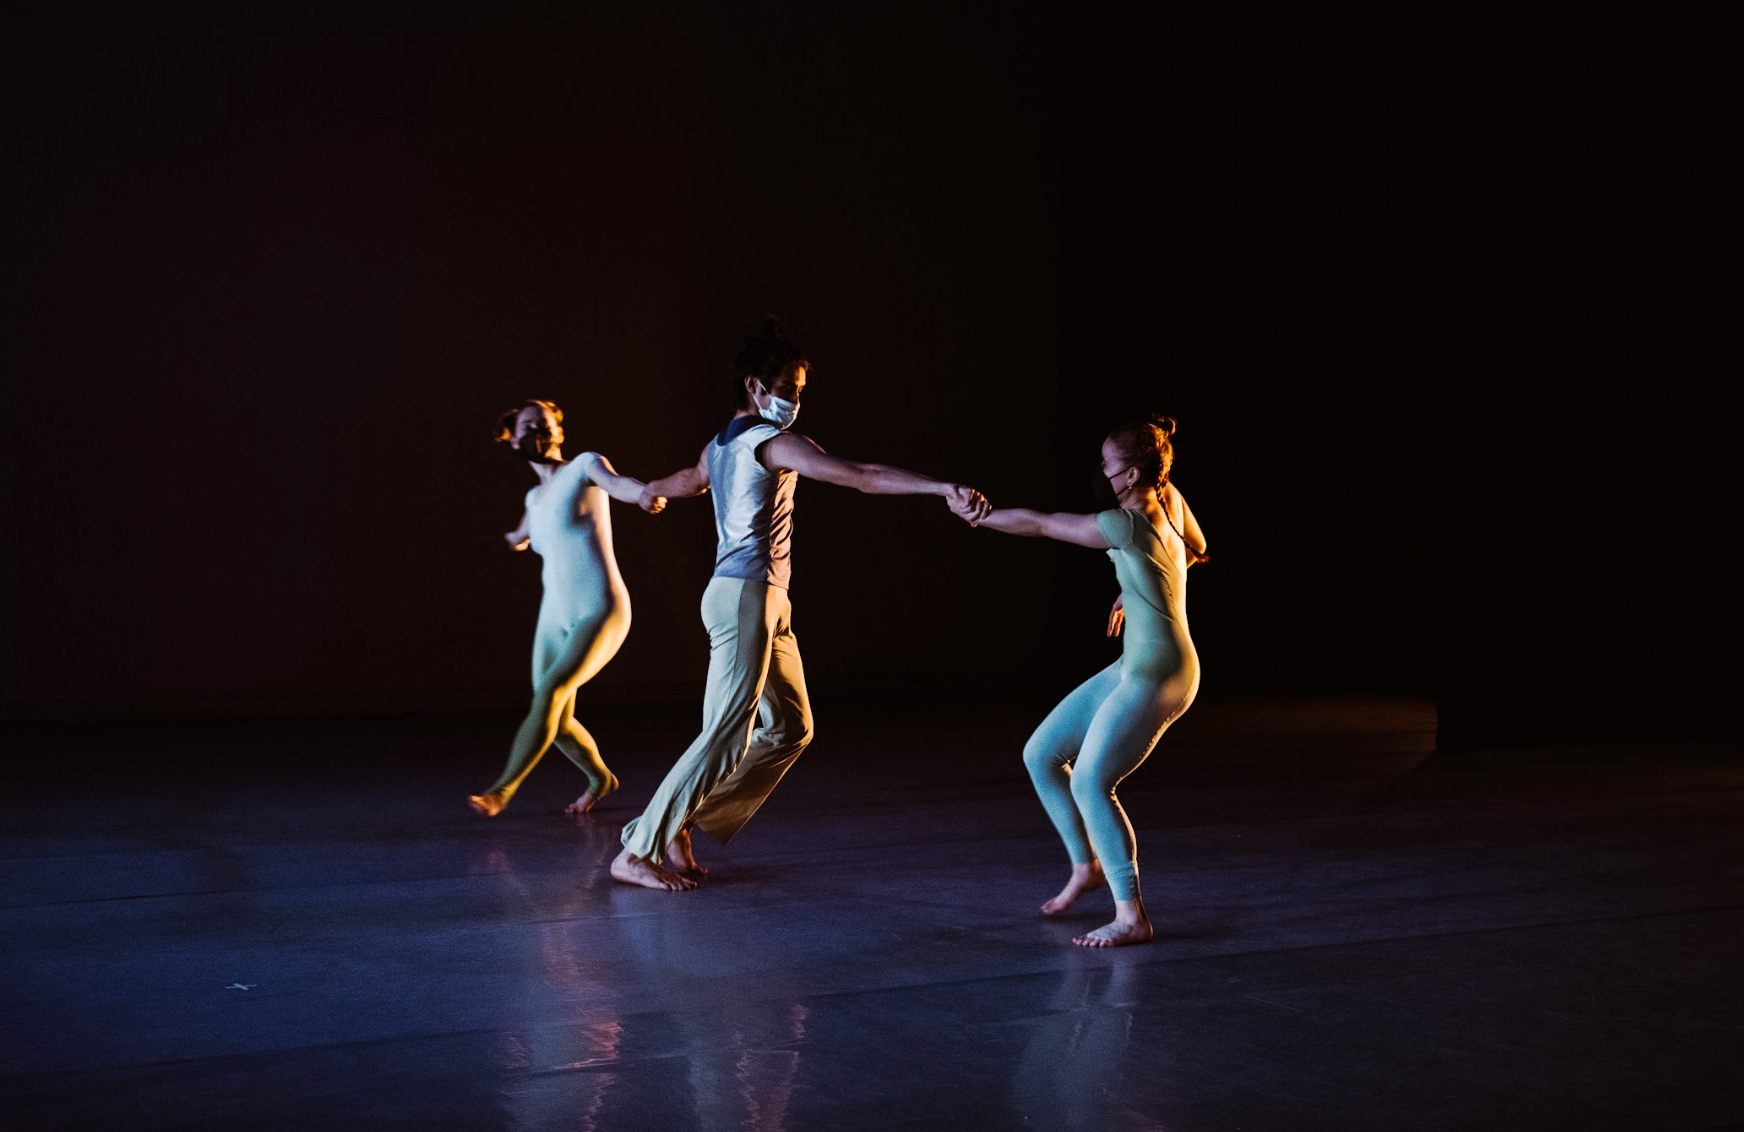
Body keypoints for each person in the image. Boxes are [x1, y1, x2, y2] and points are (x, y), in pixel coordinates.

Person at [608, 319, 991, 891]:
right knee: (726, 733)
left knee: (791, 727)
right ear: (755, 386)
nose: (795, 399)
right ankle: (638, 848)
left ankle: (677, 821)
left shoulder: (719, 445)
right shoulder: (773, 442)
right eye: (788, 386)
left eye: (800, 389)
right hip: (745, 597)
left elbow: (690, 480)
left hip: (765, 600)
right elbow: (861, 477)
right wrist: (940, 488)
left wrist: (649, 491)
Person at [950, 415, 1207, 946]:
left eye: (1108, 465)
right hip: (1136, 662)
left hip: (1162, 672)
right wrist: (1137, 585)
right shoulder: (1171, 498)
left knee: (1091, 781)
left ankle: (1131, 916)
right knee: (1041, 754)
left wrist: (983, 516)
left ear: (1131, 475)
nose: (1100, 471)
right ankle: (1086, 865)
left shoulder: (1123, 524)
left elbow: (1042, 525)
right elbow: (1194, 547)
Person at [469, 399, 667, 818]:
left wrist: (642, 494)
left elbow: (617, 483)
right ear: (514, 440)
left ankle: (501, 791)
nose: (536, 431)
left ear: (559, 431)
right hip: (554, 616)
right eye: (527, 426)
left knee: (551, 694)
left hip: (600, 608)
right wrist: (513, 540)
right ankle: (600, 779)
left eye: (544, 423)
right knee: (553, 717)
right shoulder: (534, 498)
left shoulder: (583, 466)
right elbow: (522, 534)